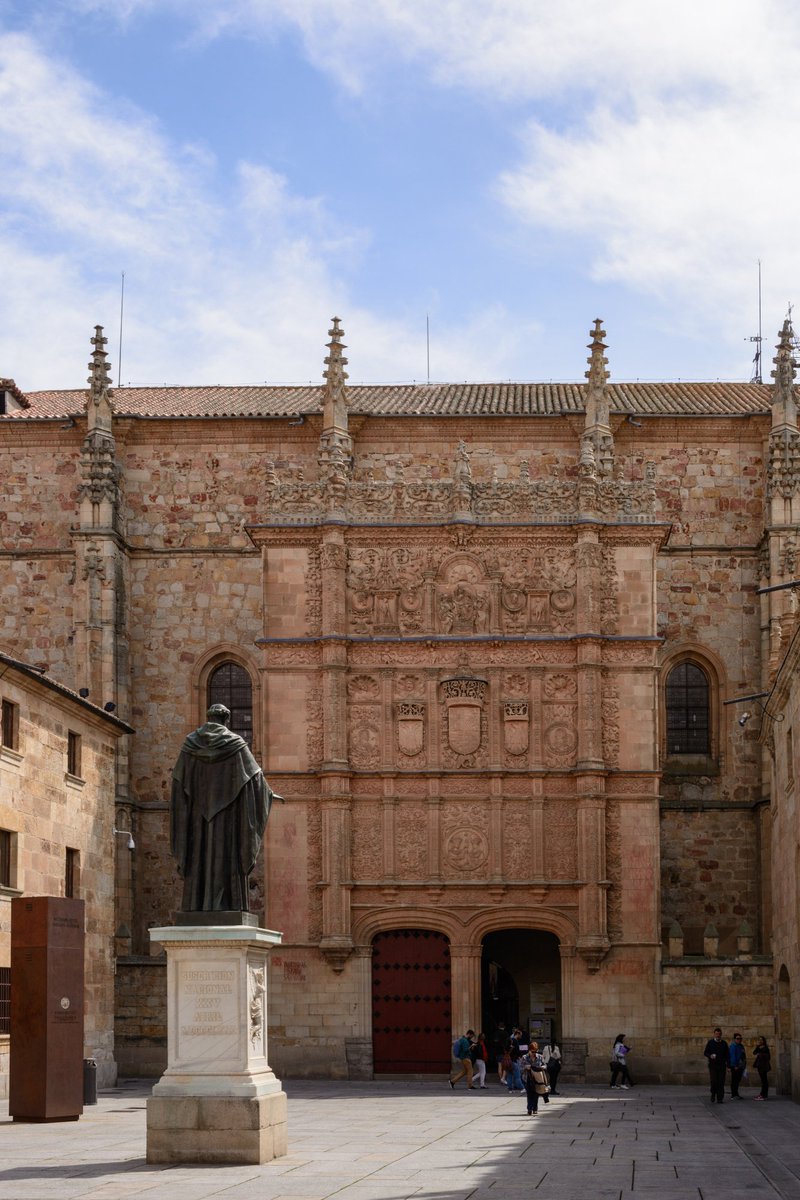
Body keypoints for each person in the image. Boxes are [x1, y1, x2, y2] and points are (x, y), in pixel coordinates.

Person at [170, 703, 277, 913]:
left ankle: (196, 905)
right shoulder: (236, 744)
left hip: (197, 818)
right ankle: (229, 904)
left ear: (208, 718)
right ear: (226, 720)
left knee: (199, 852)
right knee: (228, 855)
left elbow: (178, 781)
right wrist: (269, 795)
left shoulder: (190, 745)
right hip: (229, 818)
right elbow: (255, 779)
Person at [520, 1041, 550, 1116]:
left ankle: (535, 1108)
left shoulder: (540, 1057)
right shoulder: (524, 1057)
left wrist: (542, 1067)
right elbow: (520, 1069)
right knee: (530, 1093)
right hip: (527, 1078)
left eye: (535, 1051)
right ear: (529, 1050)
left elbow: (545, 1065)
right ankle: (529, 1109)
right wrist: (525, 1067)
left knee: (536, 1093)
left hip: (537, 1078)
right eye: (532, 1051)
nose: (534, 1053)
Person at [704, 1027, 728, 1103]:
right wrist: (710, 1056)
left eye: (719, 1034)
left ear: (721, 1035)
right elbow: (705, 1052)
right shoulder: (710, 1042)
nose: (718, 1035)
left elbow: (727, 1055)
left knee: (721, 1082)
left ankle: (720, 1098)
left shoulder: (724, 1043)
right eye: (716, 1034)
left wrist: (728, 1065)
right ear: (714, 1034)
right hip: (713, 1066)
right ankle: (713, 1094)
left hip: (722, 1066)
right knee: (714, 1081)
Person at [728, 1032, 746, 1099]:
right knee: (734, 1080)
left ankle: (736, 1093)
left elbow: (743, 1055)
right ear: (734, 1039)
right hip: (735, 1066)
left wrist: (744, 1065)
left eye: (740, 1038)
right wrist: (735, 1065)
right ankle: (733, 1094)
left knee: (738, 1080)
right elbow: (732, 1057)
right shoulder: (733, 1046)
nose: (739, 1040)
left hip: (741, 1066)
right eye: (738, 1038)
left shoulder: (741, 1046)